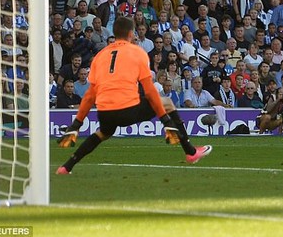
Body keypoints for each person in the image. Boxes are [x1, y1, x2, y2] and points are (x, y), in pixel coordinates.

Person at [56, 17, 212, 175]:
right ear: (131, 34)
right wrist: (165, 120)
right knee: (167, 102)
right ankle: (191, 152)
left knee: (103, 133)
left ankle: (66, 166)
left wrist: (76, 124)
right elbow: (150, 91)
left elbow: (90, 95)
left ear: (114, 33)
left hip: (105, 112)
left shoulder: (99, 56)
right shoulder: (138, 52)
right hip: (128, 109)